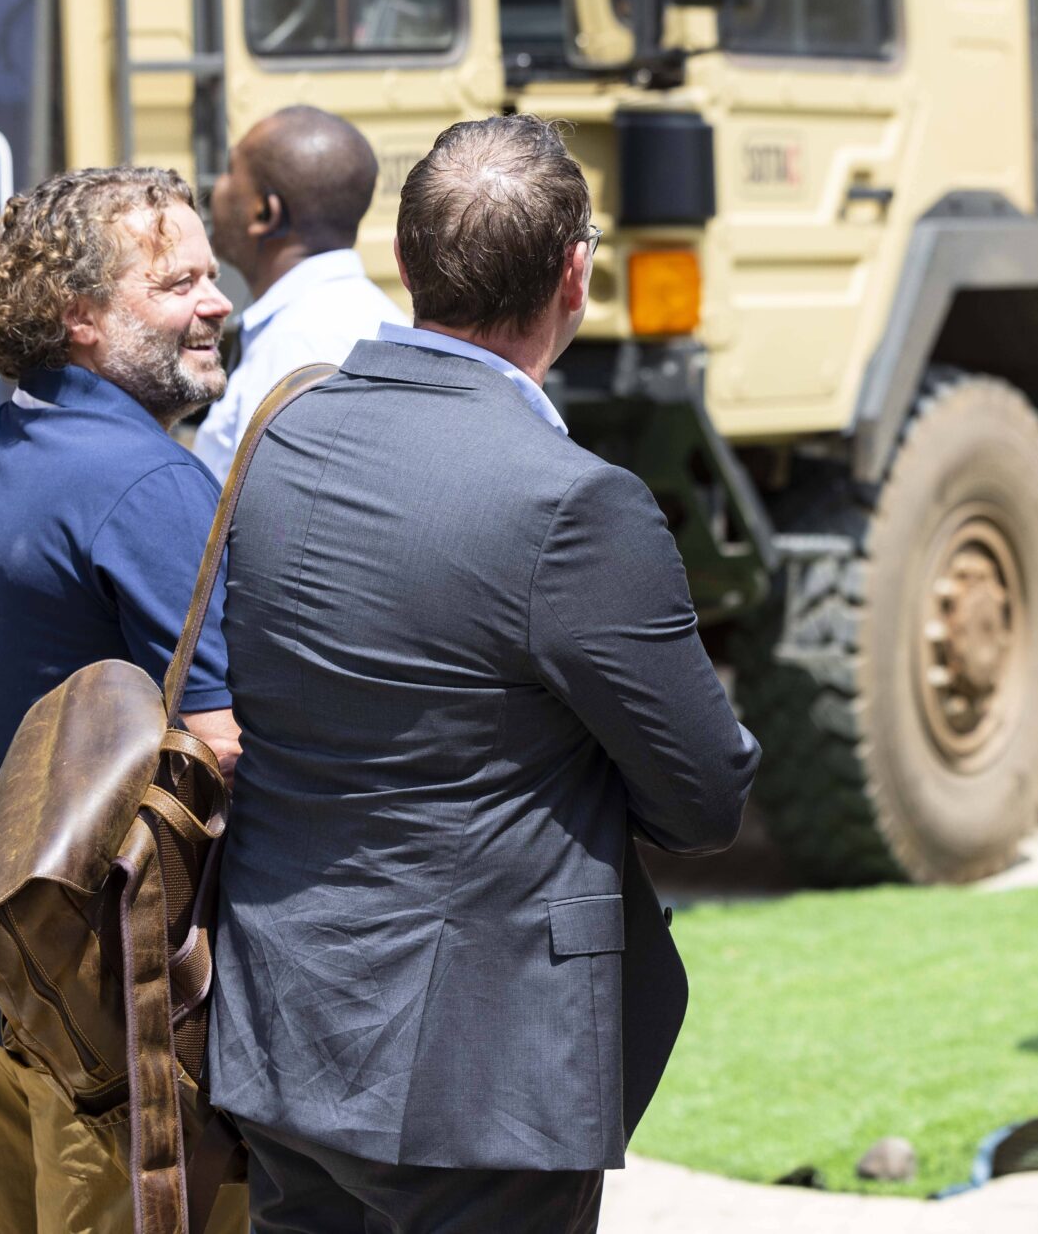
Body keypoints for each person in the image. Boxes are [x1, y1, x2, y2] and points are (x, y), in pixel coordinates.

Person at [207, 114, 761, 1234]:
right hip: (479, 1079)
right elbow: (704, 799)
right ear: (577, 276)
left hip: (279, 1040)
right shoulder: (576, 502)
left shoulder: (275, 436)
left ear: (402, 261)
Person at [0, 165, 247, 1234]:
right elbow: (223, 745)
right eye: (176, 283)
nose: (216, 302)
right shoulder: (150, 484)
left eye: (210, 274)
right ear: (79, 315)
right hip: (107, 1023)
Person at [194, 105, 403, 476]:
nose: (216, 189)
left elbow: (262, 503)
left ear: (264, 213)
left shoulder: (297, 347)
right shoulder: (373, 316)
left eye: (230, 171)